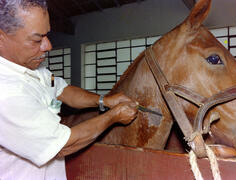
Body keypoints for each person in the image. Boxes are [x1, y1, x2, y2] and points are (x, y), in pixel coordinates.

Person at [0, 0, 138, 179]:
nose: (48, 46)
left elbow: (63, 90)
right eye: (37, 39)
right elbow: (63, 145)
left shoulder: (32, 69)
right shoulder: (7, 94)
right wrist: (113, 116)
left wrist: (104, 100)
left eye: (47, 35)